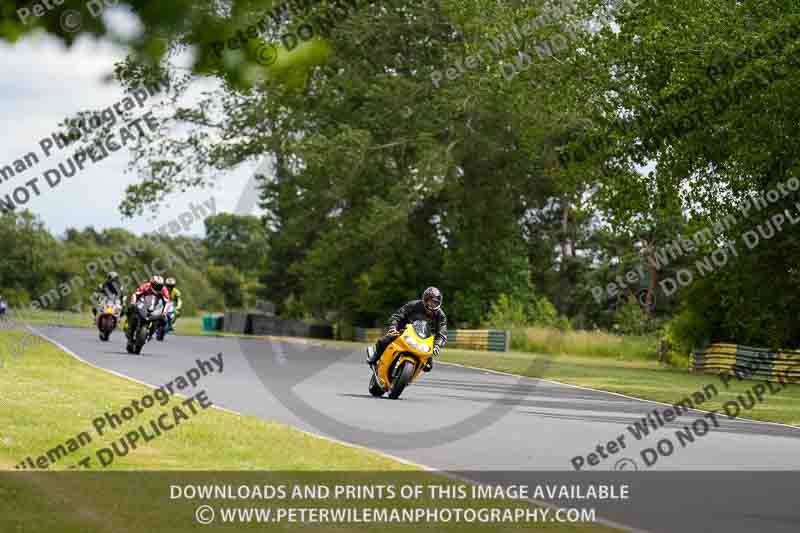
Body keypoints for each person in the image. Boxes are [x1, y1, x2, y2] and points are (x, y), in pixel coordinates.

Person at [366, 287, 447, 372]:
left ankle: (409, 375)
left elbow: (442, 332)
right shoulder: (413, 305)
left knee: (428, 366)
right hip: (404, 331)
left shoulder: (441, 316)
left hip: (424, 339)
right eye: (430, 301)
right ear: (425, 299)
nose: (432, 305)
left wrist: (437, 345)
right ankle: (375, 356)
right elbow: (397, 315)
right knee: (386, 340)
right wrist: (393, 327)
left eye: (435, 303)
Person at [126, 275, 171, 339]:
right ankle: (129, 325)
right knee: (130, 308)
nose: (158, 287)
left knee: (164, 320)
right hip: (143, 303)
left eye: (160, 285)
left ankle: (156, 332)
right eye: (156, 285)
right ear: (152, 284)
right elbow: (135, 294)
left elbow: (167, 302)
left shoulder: (164, 290)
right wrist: (133, 302)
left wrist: (164, 312)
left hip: (155, 307)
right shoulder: (146, 286)